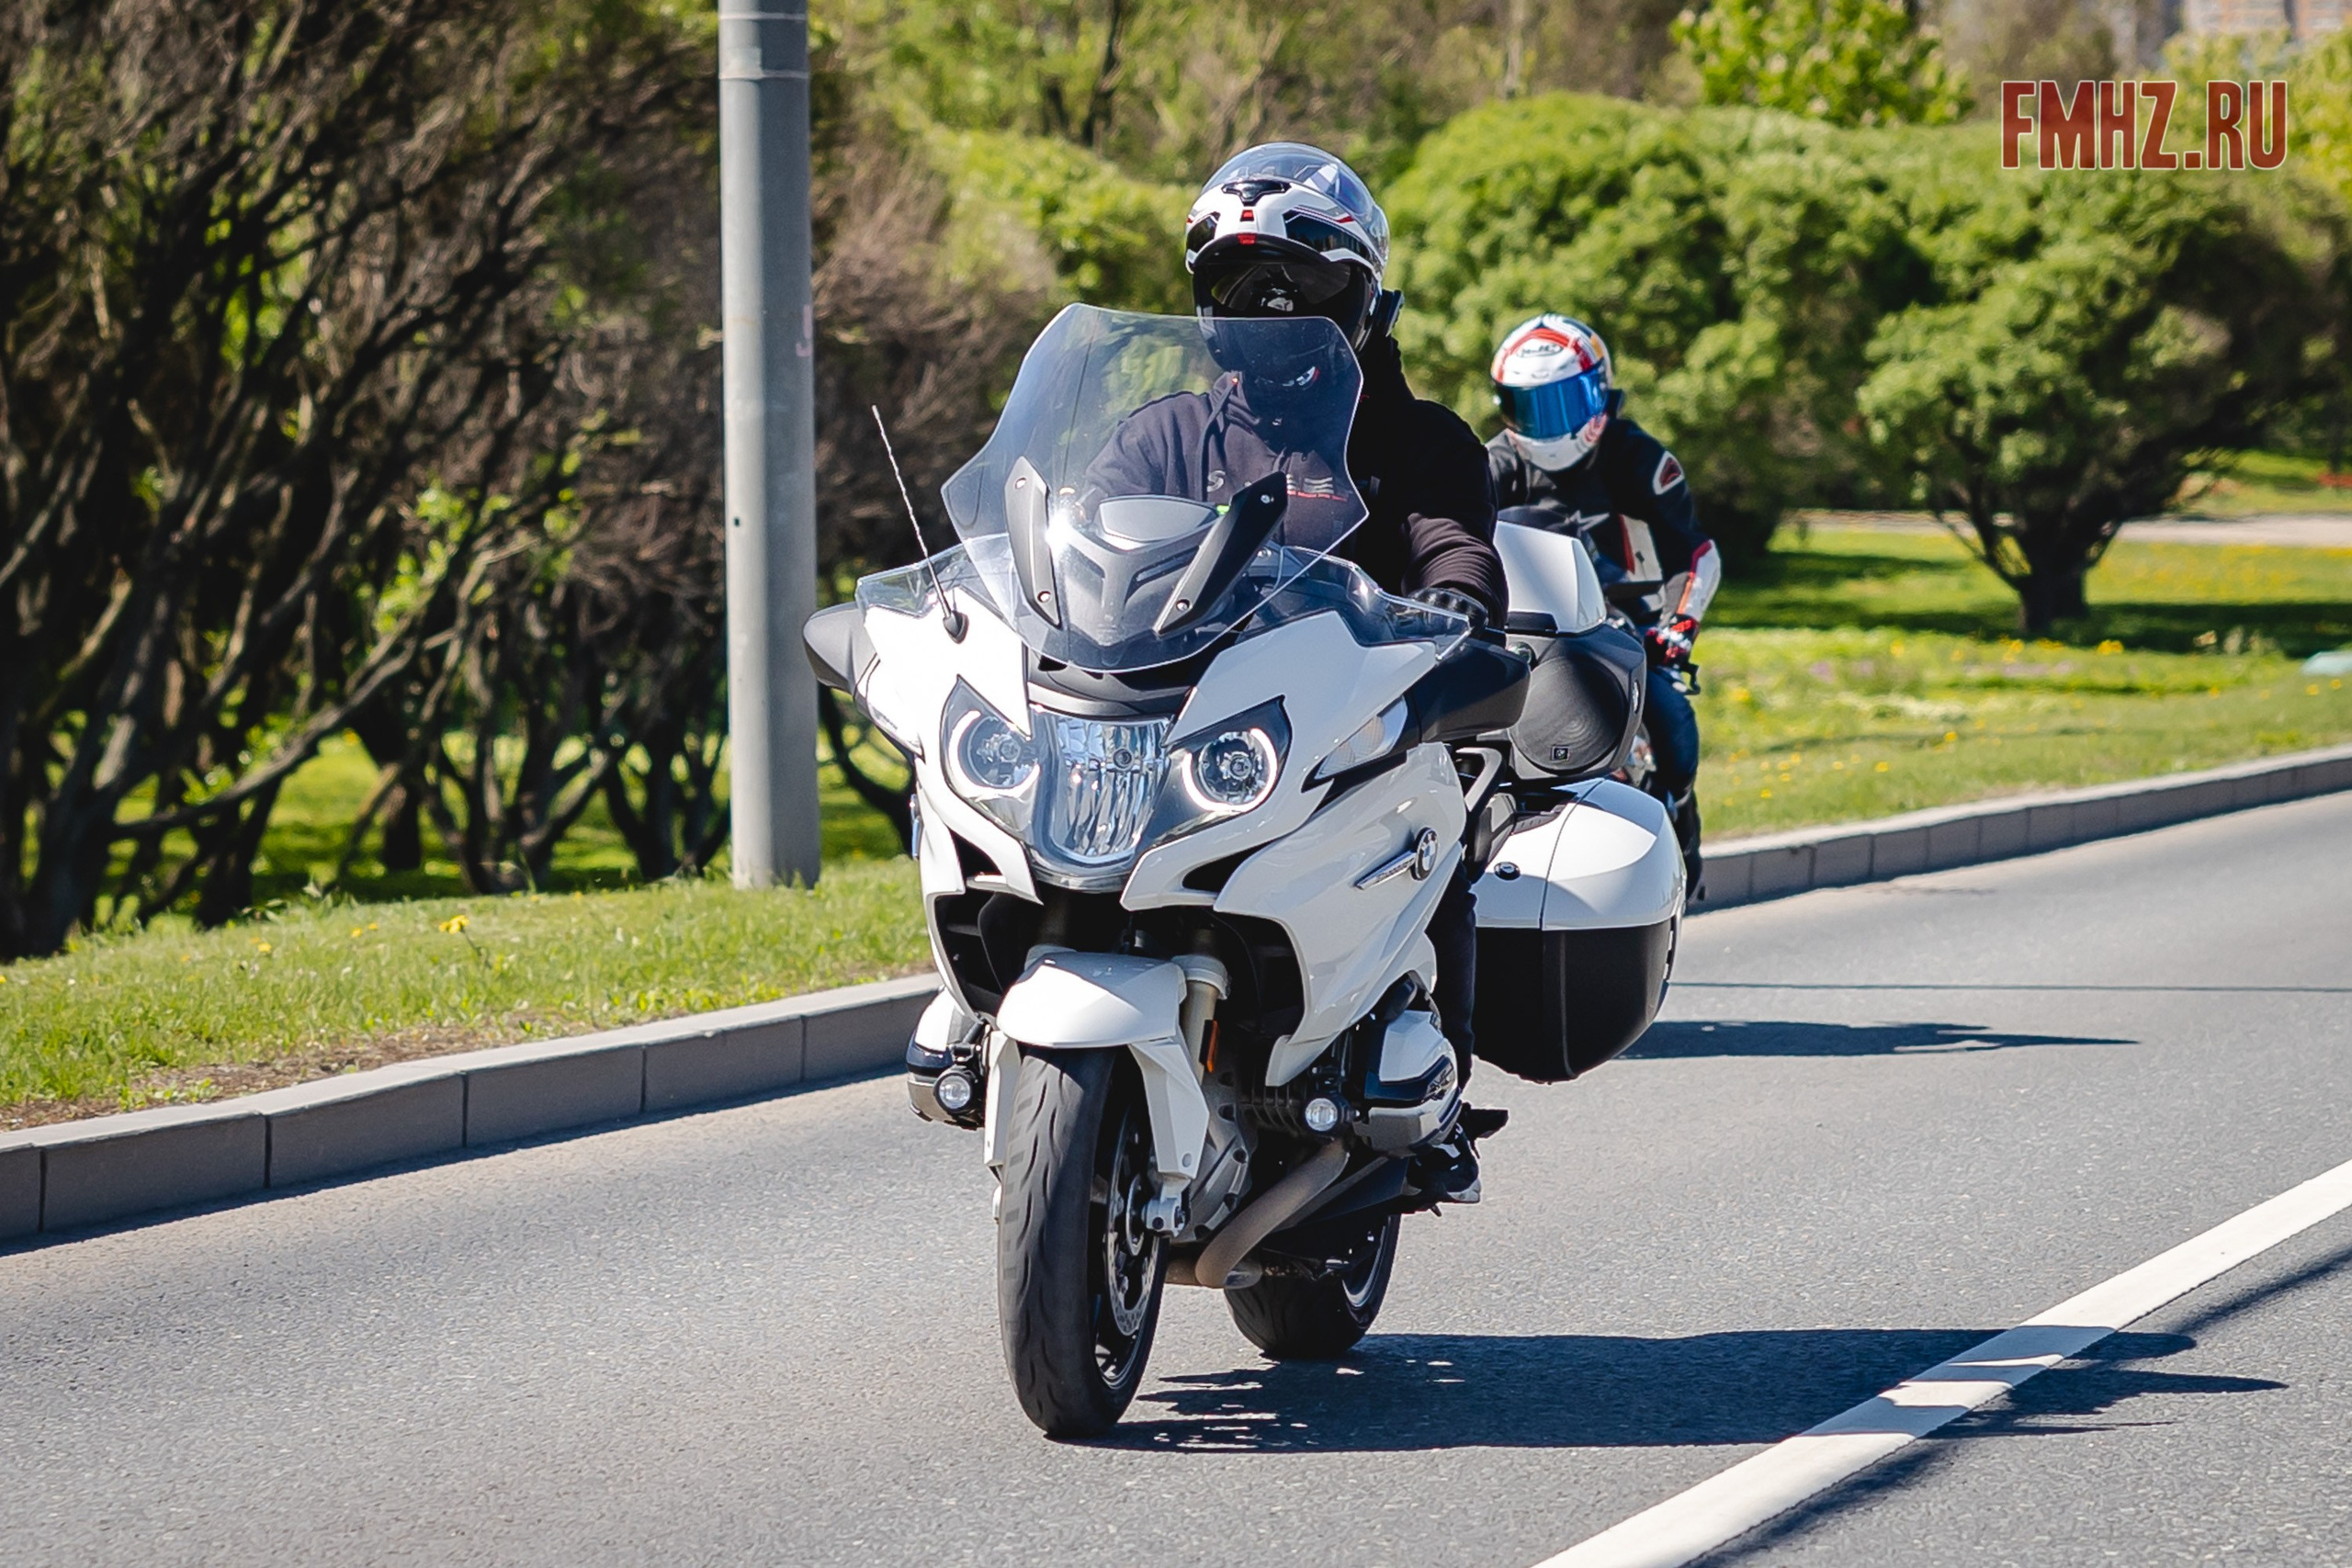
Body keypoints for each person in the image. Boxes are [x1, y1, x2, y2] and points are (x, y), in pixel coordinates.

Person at [1099, 141, 1508, 1197]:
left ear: (1365, 301)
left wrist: (1457, 601)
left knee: (1436, 836)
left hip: (1344, 725)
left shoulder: (1417, 442)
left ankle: (1438, 1085)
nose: (1271, 317)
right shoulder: (1164, 438)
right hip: (1175, 723)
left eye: (1301, 292)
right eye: (1242, 293)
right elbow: (1078, 538)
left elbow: (1452, 541)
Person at [1484, 313, 1717, 893]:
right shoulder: (1493, 464)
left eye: (1564, 404)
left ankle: (1680, 813)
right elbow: (1457, 542)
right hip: (1528, 625)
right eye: (1531, 407)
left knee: (1668, 714)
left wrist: (1678, 624)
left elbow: (1696, 551)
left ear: (1600, 391)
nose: (1549, 425)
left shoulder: (1639, 458)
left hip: (1624, 621)